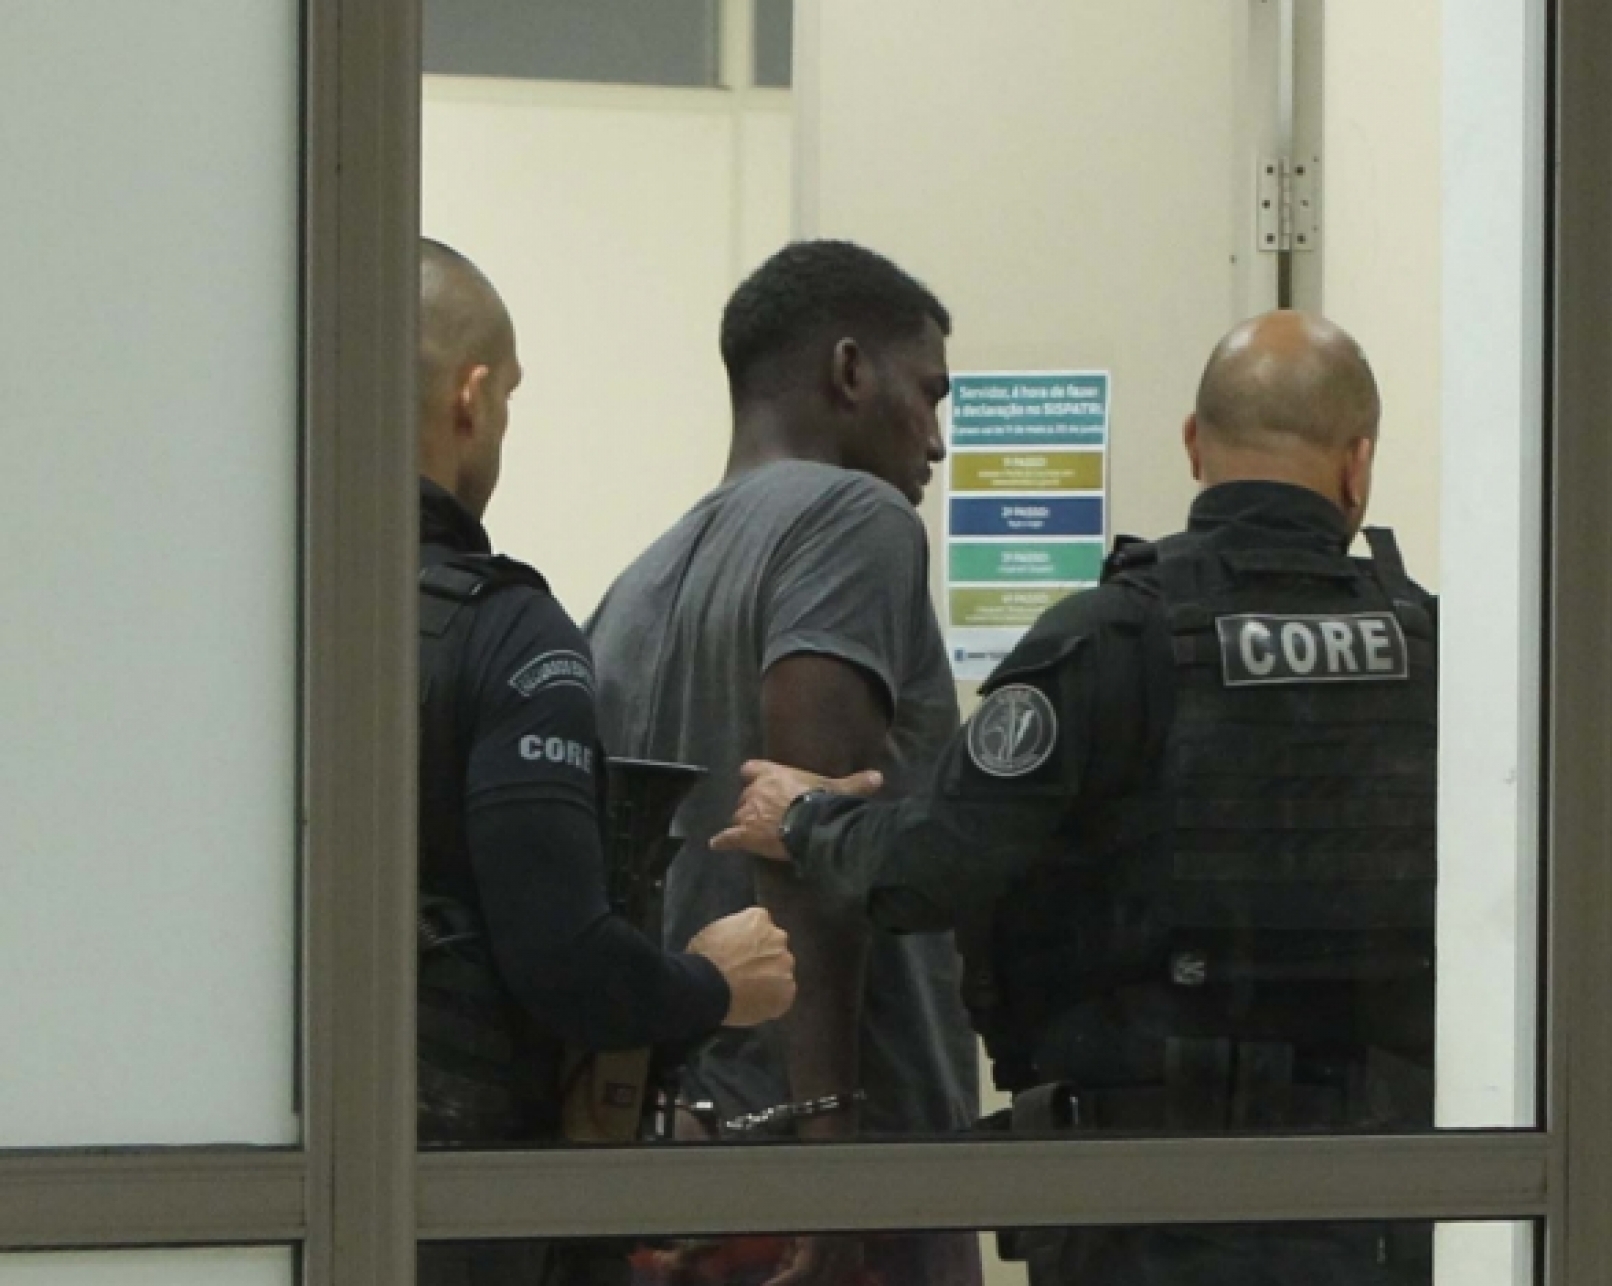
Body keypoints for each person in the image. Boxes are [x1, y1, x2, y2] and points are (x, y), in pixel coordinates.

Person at [713, 311, 1439, 1286]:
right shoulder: (1438, 653)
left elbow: (935, 864)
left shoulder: (1107, 643)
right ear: (1359, 464)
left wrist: (806, 819)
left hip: (1147, 1208)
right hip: (1382, 1204)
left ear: (1194, 445)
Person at [586, 240, 982, 1286]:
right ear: (850, 370)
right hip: (838, 1172)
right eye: (928, 393)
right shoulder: (855, 520)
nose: (937, 440)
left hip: (685, 1157)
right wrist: (827, 1159)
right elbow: (803, 835)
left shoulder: (632, 591)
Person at [414, 240, 797, 1286]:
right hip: (462, 1208)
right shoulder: (503, 631)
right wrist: (714, 984)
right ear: (471, 398)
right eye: (508, 401)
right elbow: (564, 960)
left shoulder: (241, 612)